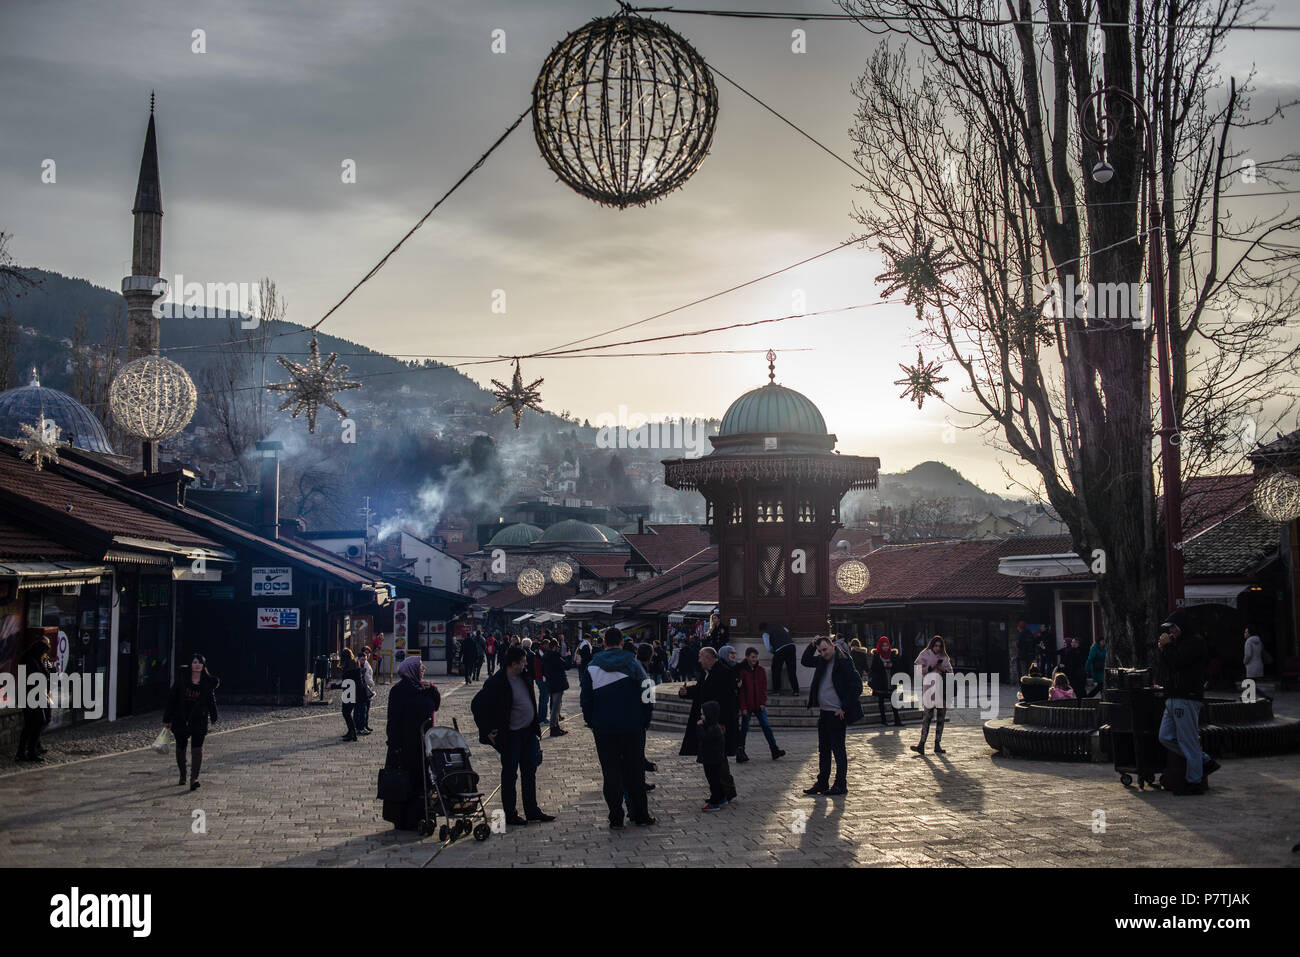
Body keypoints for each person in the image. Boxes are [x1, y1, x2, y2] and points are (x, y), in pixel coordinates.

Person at [579, 627, 656, 829]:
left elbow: (585, 699)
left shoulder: (593, 665)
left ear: (604, 642)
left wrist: (591, 720)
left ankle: (615, 817)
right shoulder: (633, 663)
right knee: (635, 771)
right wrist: (646, 718)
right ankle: (640, 815)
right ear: (622, 642)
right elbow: (649, 691)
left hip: (604, 728)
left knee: (611, 773)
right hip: (632, 726)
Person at [470, 646, 555, 826]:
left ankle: (532, 810)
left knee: (530, 771)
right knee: (510, 774)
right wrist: (487, 730)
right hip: (511, 735)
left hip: (528, 732)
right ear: (513, 663)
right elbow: (477, 705)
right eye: (522, 662)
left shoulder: (525, 677)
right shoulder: (497, 682)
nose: (525, 664)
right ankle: (510, 813)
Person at [1156, 610, 1220, 795]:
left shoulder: (1194, 643)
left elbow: (1178, 661)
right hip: (1173, 697)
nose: (1171, 632)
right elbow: (1170, 664)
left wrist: (1167, 648)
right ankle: (1203, 760)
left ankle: (1194, 781)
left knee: (1188, 740)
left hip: (1187, 697)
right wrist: (1165, 650)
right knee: (1165, 736)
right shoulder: (1179, 644)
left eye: (1173, 628)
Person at [382, 656, 442, 831]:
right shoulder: (399, 691)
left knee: (423, 781)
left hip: (425, 744)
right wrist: (395, 744)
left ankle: (424, 815)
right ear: (411, 670)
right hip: (406, 743)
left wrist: (433, 689)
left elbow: (436, 705)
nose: (422, 669)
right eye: (420, 667)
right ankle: (404, 820)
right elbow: (393, 719)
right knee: (407, 781)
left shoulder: (423, 687)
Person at [800, 636, 863, 795]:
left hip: (836, 713)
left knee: (838, 750)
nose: (823, 653)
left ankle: (841, 784)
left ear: (832, 646)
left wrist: (844, 707)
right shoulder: (822, 660)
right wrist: (812, 644)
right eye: (820, 650)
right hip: (824, 711)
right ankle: (822, 783)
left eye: (825, 649)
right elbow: (805, 661)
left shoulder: (843, 661)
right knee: (824, 749)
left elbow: (857, 686)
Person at [678, 647, 738, 802]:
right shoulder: (706, 673)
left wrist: (722, 723)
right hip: (707, 721)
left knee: (716, 759)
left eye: (701, 657)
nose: (699, 660)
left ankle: (722, 792)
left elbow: (728, 701)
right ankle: (724, 791)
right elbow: (700, 690)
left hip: (717, 723)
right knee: (715, 758)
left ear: (709, 658)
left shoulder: (725, 673)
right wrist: (686, 692)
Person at [163, 653, 220, 791]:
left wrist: (213, 716)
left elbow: (210, 701)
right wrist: (167, 718)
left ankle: (194, 778)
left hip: (198, 719)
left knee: (197, 748)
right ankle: (183, 773)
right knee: (181, 748)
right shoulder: (182, 679)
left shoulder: (207, 683)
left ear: (203, 665)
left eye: (200, 662)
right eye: (195, 662)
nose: (197, 665)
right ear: (190, 664)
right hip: (181, 718)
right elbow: (172, 698)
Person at [736, 647, 785, 761]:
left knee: (766, 726)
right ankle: (741, 751)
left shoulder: (761, 670)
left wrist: (763, 702)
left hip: (759, 704)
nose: (755, 659)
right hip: (747, 705)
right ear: (747, 657)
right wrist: (743, 707)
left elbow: (763, 688)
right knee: (744, 728)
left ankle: (774, 749)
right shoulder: (742, 671)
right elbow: (741, 691)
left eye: (756, 657)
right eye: (753, 657)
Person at [910, 635, 953, 756]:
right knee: (927, 717)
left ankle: (937, 743)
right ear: (932, 645)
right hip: (929, 690)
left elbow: (950, 672)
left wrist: (942, 668)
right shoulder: (925, 654)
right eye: (935, 645)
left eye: (939, 646)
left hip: (942, 691)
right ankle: (922, 744)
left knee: (941, 717)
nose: (937, 648)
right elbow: (917, 670)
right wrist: (930, 667)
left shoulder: (944, 657)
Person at [14, 631, 53, 763]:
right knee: (36, 722)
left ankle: (24, 752)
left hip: (34, 696)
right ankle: (30, 751)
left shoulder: (34, 659)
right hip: (31, 696)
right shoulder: (30, 661)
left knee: (30, 725)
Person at [698, 701, 729, 812]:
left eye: (703, 714)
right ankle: (721, 797)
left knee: (713, 781)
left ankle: (715, 802)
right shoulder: (713, 726)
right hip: (713, 758)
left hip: (712, 759)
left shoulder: (714, 729)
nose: (701, 717)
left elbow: (705, 739)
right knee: (716, 779)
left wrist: (700, 727)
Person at [541, 637, 573, 737]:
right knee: (556, 707)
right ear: (554, 647)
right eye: (558, 647)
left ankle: (556, 726)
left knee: (555, 706)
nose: (559, 648)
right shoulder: (554, 656)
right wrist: (568, 656)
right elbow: (567, 666)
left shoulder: (546, 656)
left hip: (551, 683)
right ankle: (553, 728)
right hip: (558, 684)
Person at [869, 637, 903, 727]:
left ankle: (897, 720)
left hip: (891, 681)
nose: (885, 647)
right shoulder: (876, 656)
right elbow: (873, 668)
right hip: (881, 682)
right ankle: (883, 720)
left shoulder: (892, 655)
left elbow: (898, 666)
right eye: (883, 646)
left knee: (894, 701)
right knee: (881, 701)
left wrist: (892, 665)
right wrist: (882, 665)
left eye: (887, 645)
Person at [762, 622, 799, 695]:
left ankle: (776, 691)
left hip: (780, 649)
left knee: (775, 669)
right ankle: (796, 691)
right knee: (792, 670)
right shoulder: (779, 626)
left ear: (762, 629)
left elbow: (768, 648)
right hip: (791, 646)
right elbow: (787, 631)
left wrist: (775, 651)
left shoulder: (765, 633)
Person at [340, 647, 362, 741]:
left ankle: (352, 733)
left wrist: (332, 686)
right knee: (348, 713)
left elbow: (346, 683)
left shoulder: (347, 668)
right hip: (355, 692)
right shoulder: (355, 664)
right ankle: (351, 732)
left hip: (348, 692)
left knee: (346, 713)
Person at [356, 646, 376, 735]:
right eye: (366, 652)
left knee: (363, 709)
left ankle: (364, 725)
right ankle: (361, 727)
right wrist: (372, 684)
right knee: (362, 709)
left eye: (368, 653)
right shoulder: (363, 665)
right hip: (363, 689)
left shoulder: (365, 663)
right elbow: (367, 678)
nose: (367, 655)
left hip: (364, 689)